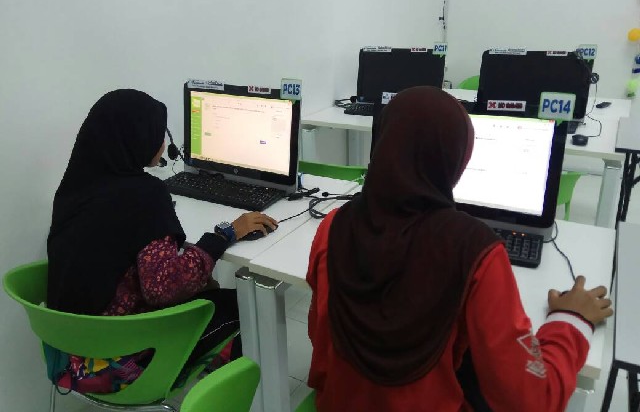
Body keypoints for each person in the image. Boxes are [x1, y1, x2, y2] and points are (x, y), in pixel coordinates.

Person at [306, 86, 613, 411]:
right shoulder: (475, 251)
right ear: (458, 158)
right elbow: (530, 400)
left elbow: (320, 337)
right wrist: (570, 320)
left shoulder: (333, 226)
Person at [47, 89, 277, 393]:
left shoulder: (73, 188)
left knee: (206, 289)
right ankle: (222, 395)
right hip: (118, 365)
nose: (163, 143)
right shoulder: (145, 195)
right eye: (159, 133)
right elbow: (163, 289)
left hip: (65, 354)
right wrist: (225, 234)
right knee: (247, 306)